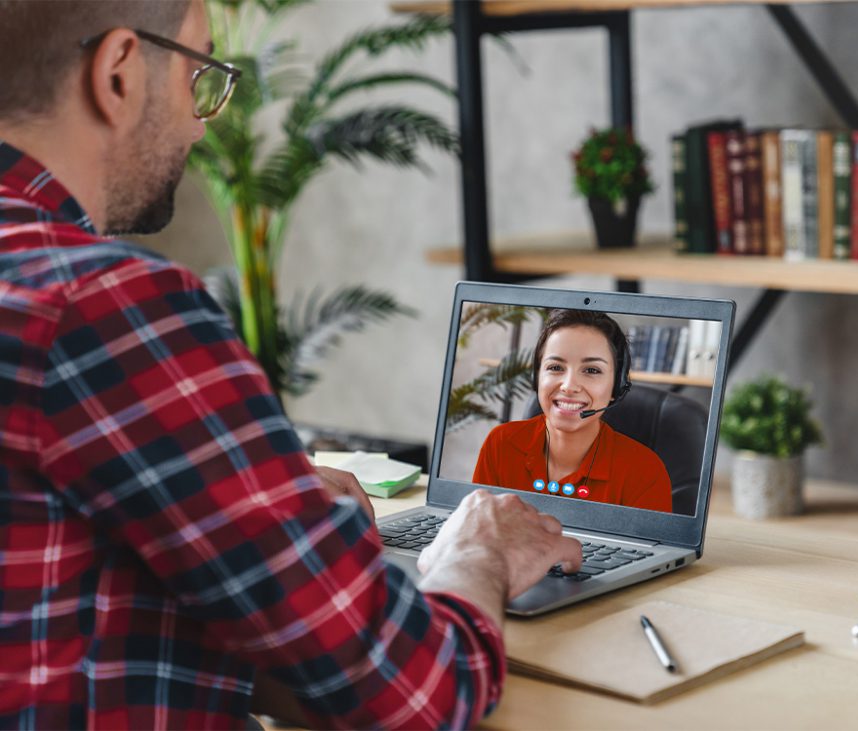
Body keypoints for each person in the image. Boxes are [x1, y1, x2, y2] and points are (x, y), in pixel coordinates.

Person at [0, 2, 582, 728]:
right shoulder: (104, 305)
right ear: (117, 73)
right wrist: (478, 554)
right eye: (199, 75)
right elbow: (413, 694)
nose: (201, 121)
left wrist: (235, 487)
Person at [473, 309, 673, 513]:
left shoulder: (645, 472)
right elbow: (479, 534)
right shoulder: (501, 445)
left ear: (616, 387)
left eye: (591, 370)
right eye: (555, 367)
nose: (569, 386)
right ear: (537, 377)